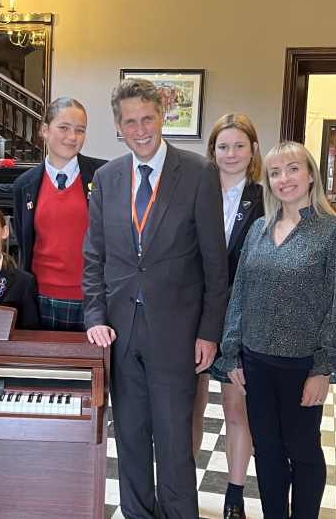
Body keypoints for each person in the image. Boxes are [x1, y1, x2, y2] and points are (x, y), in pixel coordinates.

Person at [82, 78, 229, 518]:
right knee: (128, 442)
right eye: (130, 122)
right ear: (118, 126)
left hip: (177, 334)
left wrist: (209, 332)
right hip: (120, 333)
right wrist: (93, 316)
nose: (140, 129)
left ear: (163, 116)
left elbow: (214, 264)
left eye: (148, 118)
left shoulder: (198, 172)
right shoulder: (106, 178)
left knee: (173, 445)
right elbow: (94, 256)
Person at [215, 142, 336, 519]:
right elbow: (239, 294)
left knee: (304, 451)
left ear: (310, 175)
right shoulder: (259, 229)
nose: (284, 179)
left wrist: (323, 369)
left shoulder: (333, 233)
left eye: (293, 169)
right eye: (275, 172)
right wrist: (231, 355)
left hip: (301, 367)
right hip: (256, 364)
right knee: (269, 450)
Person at [191, 113, 264, 519]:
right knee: (192, 407)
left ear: (253, 149)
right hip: (196, 315)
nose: (231, 153)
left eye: (239, 145)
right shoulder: (194, 191)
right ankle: (184, 486)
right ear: (212, 151)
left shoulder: (265, 198)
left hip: (243, 318)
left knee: (237, 410)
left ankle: (234, 498)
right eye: (223, 146)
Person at [12, 97, 107, 331]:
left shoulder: (104, 176)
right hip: (40, 299)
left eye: (80, 130)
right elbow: (24, 240)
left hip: (93, 299)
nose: (72, 136)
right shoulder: (24, 185)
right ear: (44, 130)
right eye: (64, 127)